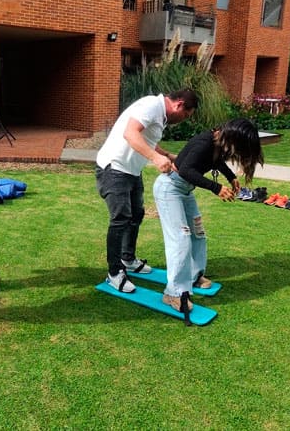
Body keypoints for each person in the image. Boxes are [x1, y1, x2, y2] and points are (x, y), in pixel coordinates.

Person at [153, 118, 263, 313]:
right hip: (170, 189)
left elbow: (216, 161)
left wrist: (231, 177)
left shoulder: (217, 142)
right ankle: (174, 293)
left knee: (198, 233)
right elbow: (186, 170)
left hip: (185, 190)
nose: (237, 151)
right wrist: (216, 187)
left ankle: (194, 276)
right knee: (180, 238)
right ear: (233, 136)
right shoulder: (204, 142)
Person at [96, 89, 199, 293]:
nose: (184, 120)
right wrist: (155, 158)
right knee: (120, 219)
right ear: (179, 105)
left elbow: (148, 138)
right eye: (186, 115)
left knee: (136, 215)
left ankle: (128, 259)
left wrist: (167, 155)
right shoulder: (152, 105)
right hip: (114, 168)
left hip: (132, 171)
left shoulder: (159, 114)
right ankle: (114, 272)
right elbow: (130, 133)